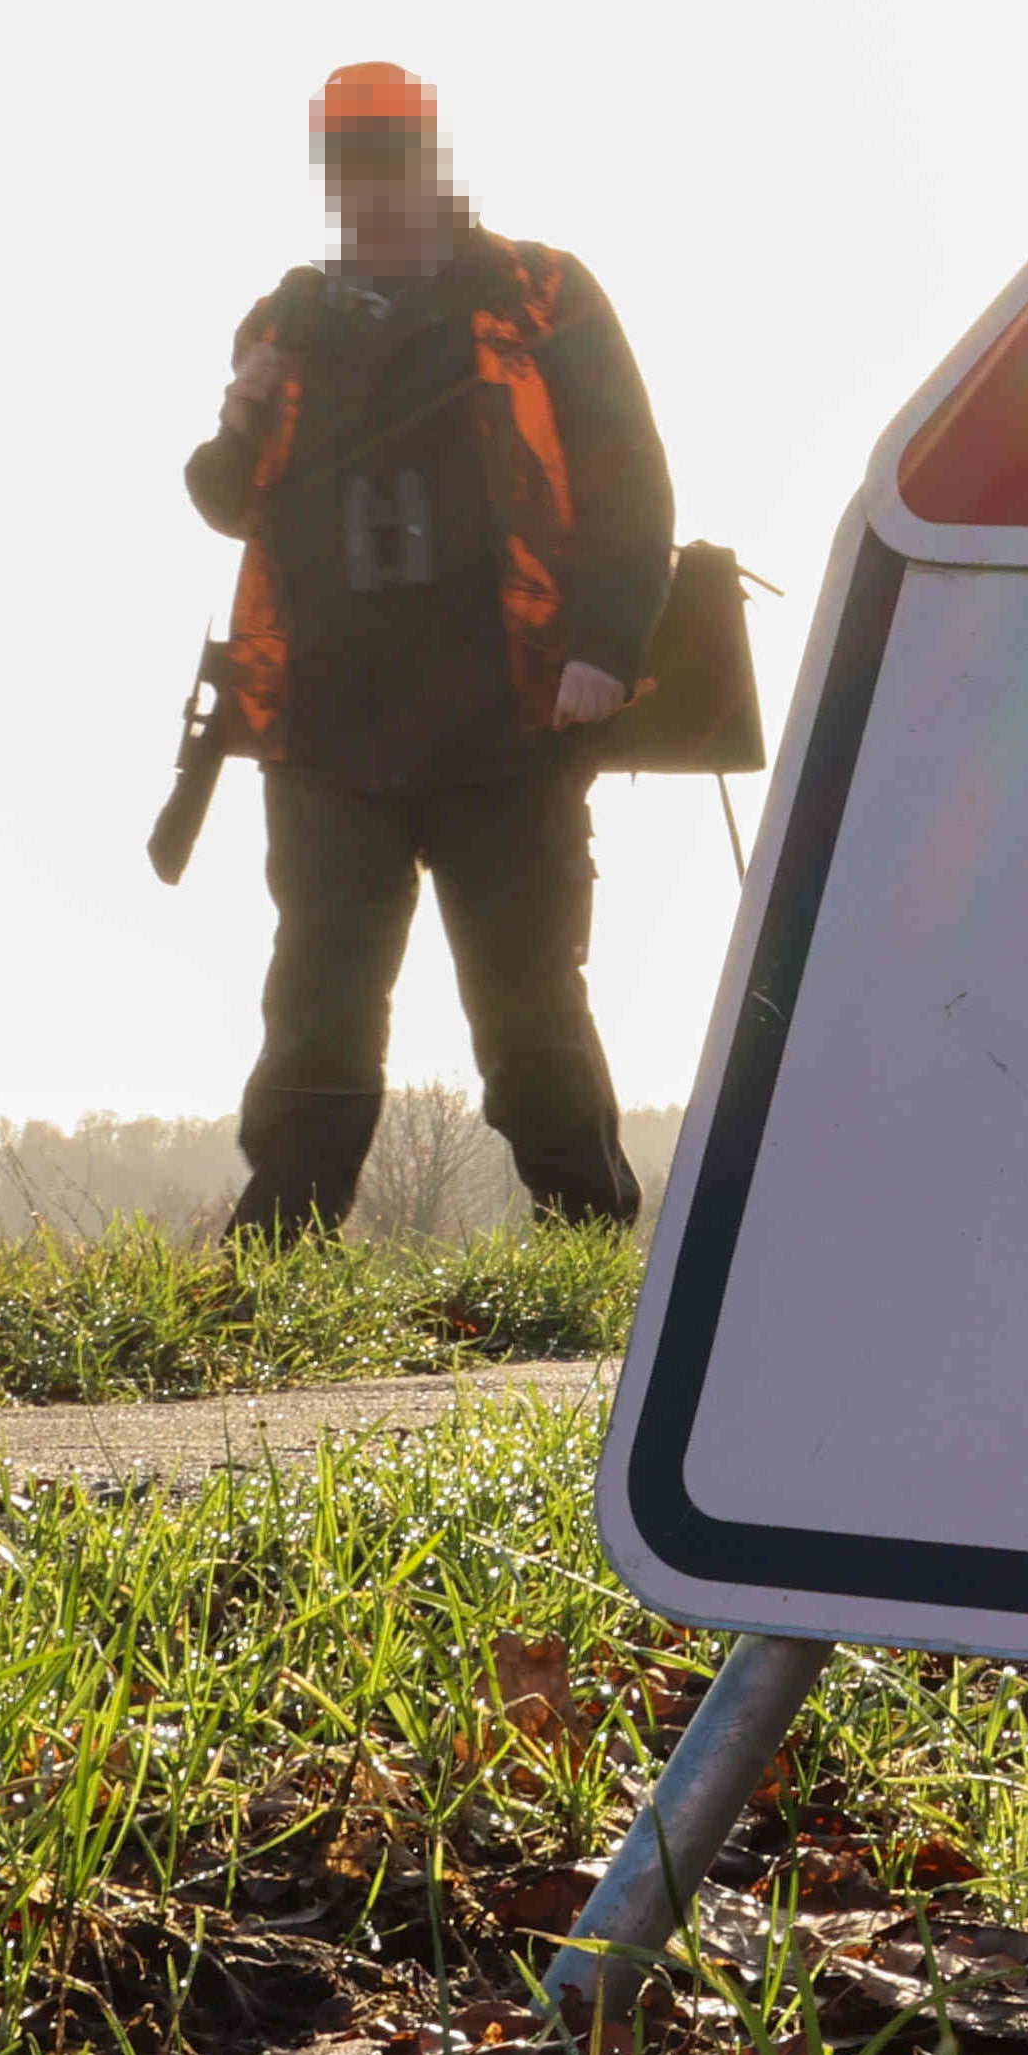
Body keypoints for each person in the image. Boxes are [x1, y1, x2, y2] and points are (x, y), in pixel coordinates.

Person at [187, 60, 673, 1234]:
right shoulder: (287, 319)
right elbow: (224, 498)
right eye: (349, 167)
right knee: (318, 1000)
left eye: (390, 160)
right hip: (327, 727)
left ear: (430, 161)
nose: (372, 190)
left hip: (507, 716)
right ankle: (282, 1249)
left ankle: (591, 1236)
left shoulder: (540, 293)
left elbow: (632, 484)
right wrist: (245, 403)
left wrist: (605, 644)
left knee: (526, 1004)